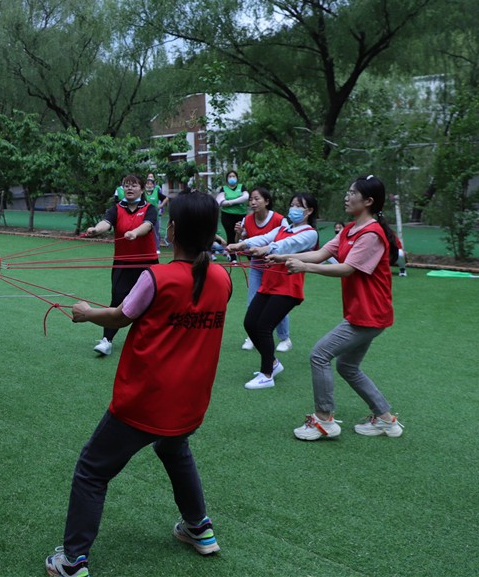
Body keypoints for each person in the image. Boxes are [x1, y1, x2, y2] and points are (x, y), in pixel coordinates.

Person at [45, 191, 232, 577]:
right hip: (190, 402)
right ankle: (199, 527)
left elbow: (119, 316)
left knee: (92, 469)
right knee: (173, 447)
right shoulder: (222, 278)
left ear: (172, 231)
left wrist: (86, 313)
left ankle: (73, 560)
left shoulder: (157, 277)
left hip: (145, 400)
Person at [269, 175, 403, 441]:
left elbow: (347, 269)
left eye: (352, 193)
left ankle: (324, 420)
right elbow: (321, 254)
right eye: (348, 192)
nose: (346, 196)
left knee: (319, 355)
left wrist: (304, 267)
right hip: (362, 313)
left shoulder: (371, 234)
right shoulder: (350, 230)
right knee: (347, 366)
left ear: (368, 201)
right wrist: (282, 256)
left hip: (369, 314)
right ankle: (386, 420)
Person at [229, 192, 319, 389]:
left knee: (263, 326)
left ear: (309, 211)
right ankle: (273, 363)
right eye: (292, 204)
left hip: (288, 287)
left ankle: (267, 374)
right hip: (269, 284)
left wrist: (267, 249)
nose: (294, 209)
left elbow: (286, 245)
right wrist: (241, 244)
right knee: (250, 323)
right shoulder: (284, 227)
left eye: (299, 206)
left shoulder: (310, 233)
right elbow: (263, 238)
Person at [81, 174, 159, 357]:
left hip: (147, 263)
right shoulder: (116, 209)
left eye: (134, 185)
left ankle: (151, 340)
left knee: (151, 303)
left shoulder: (149, 208)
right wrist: (96, 230)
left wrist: (135, 233)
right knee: (117, 300)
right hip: (123, 263)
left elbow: (148, 225)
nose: (129, 188)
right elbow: (106, 223)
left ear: (142, 189)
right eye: (126, 185)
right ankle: (106, 340)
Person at [235, 187, 283, 351]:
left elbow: (284, 239)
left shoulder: (279, 219)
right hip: (256, 264)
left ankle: (284, 338)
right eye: (251, 199)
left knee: (277, 303)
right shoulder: (247, 220)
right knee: (252, 301)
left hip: (274, 265)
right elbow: (241, 243)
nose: (253, 202)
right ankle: (252, 336)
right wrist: (238, 234)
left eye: (257, 199)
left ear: (267, 201)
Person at [215, 170, 248, 257]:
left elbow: (245, 197)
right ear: (227, 179)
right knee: (230, 235)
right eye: (230, 176)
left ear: (237, 178)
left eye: (234, 176)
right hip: (227, 215)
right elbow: (220, 201)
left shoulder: (241, 187)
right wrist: (238, 200)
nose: (232, 178)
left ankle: (244, 253)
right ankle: (233, 258)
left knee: (241, 234)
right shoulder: (223, 189)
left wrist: (229, 202)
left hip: (241, 215)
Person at [144, 173, 170, 247]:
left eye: (151, 184)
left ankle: (157, 248)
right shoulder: (142, 193)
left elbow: (166, 198)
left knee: (156, 233)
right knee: (145, 232)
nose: (149, 185)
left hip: (155, 216)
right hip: (145, 216)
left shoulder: (157, 191)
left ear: (153, 185)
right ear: (145, 185)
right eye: (148, 184)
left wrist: (161, 206)